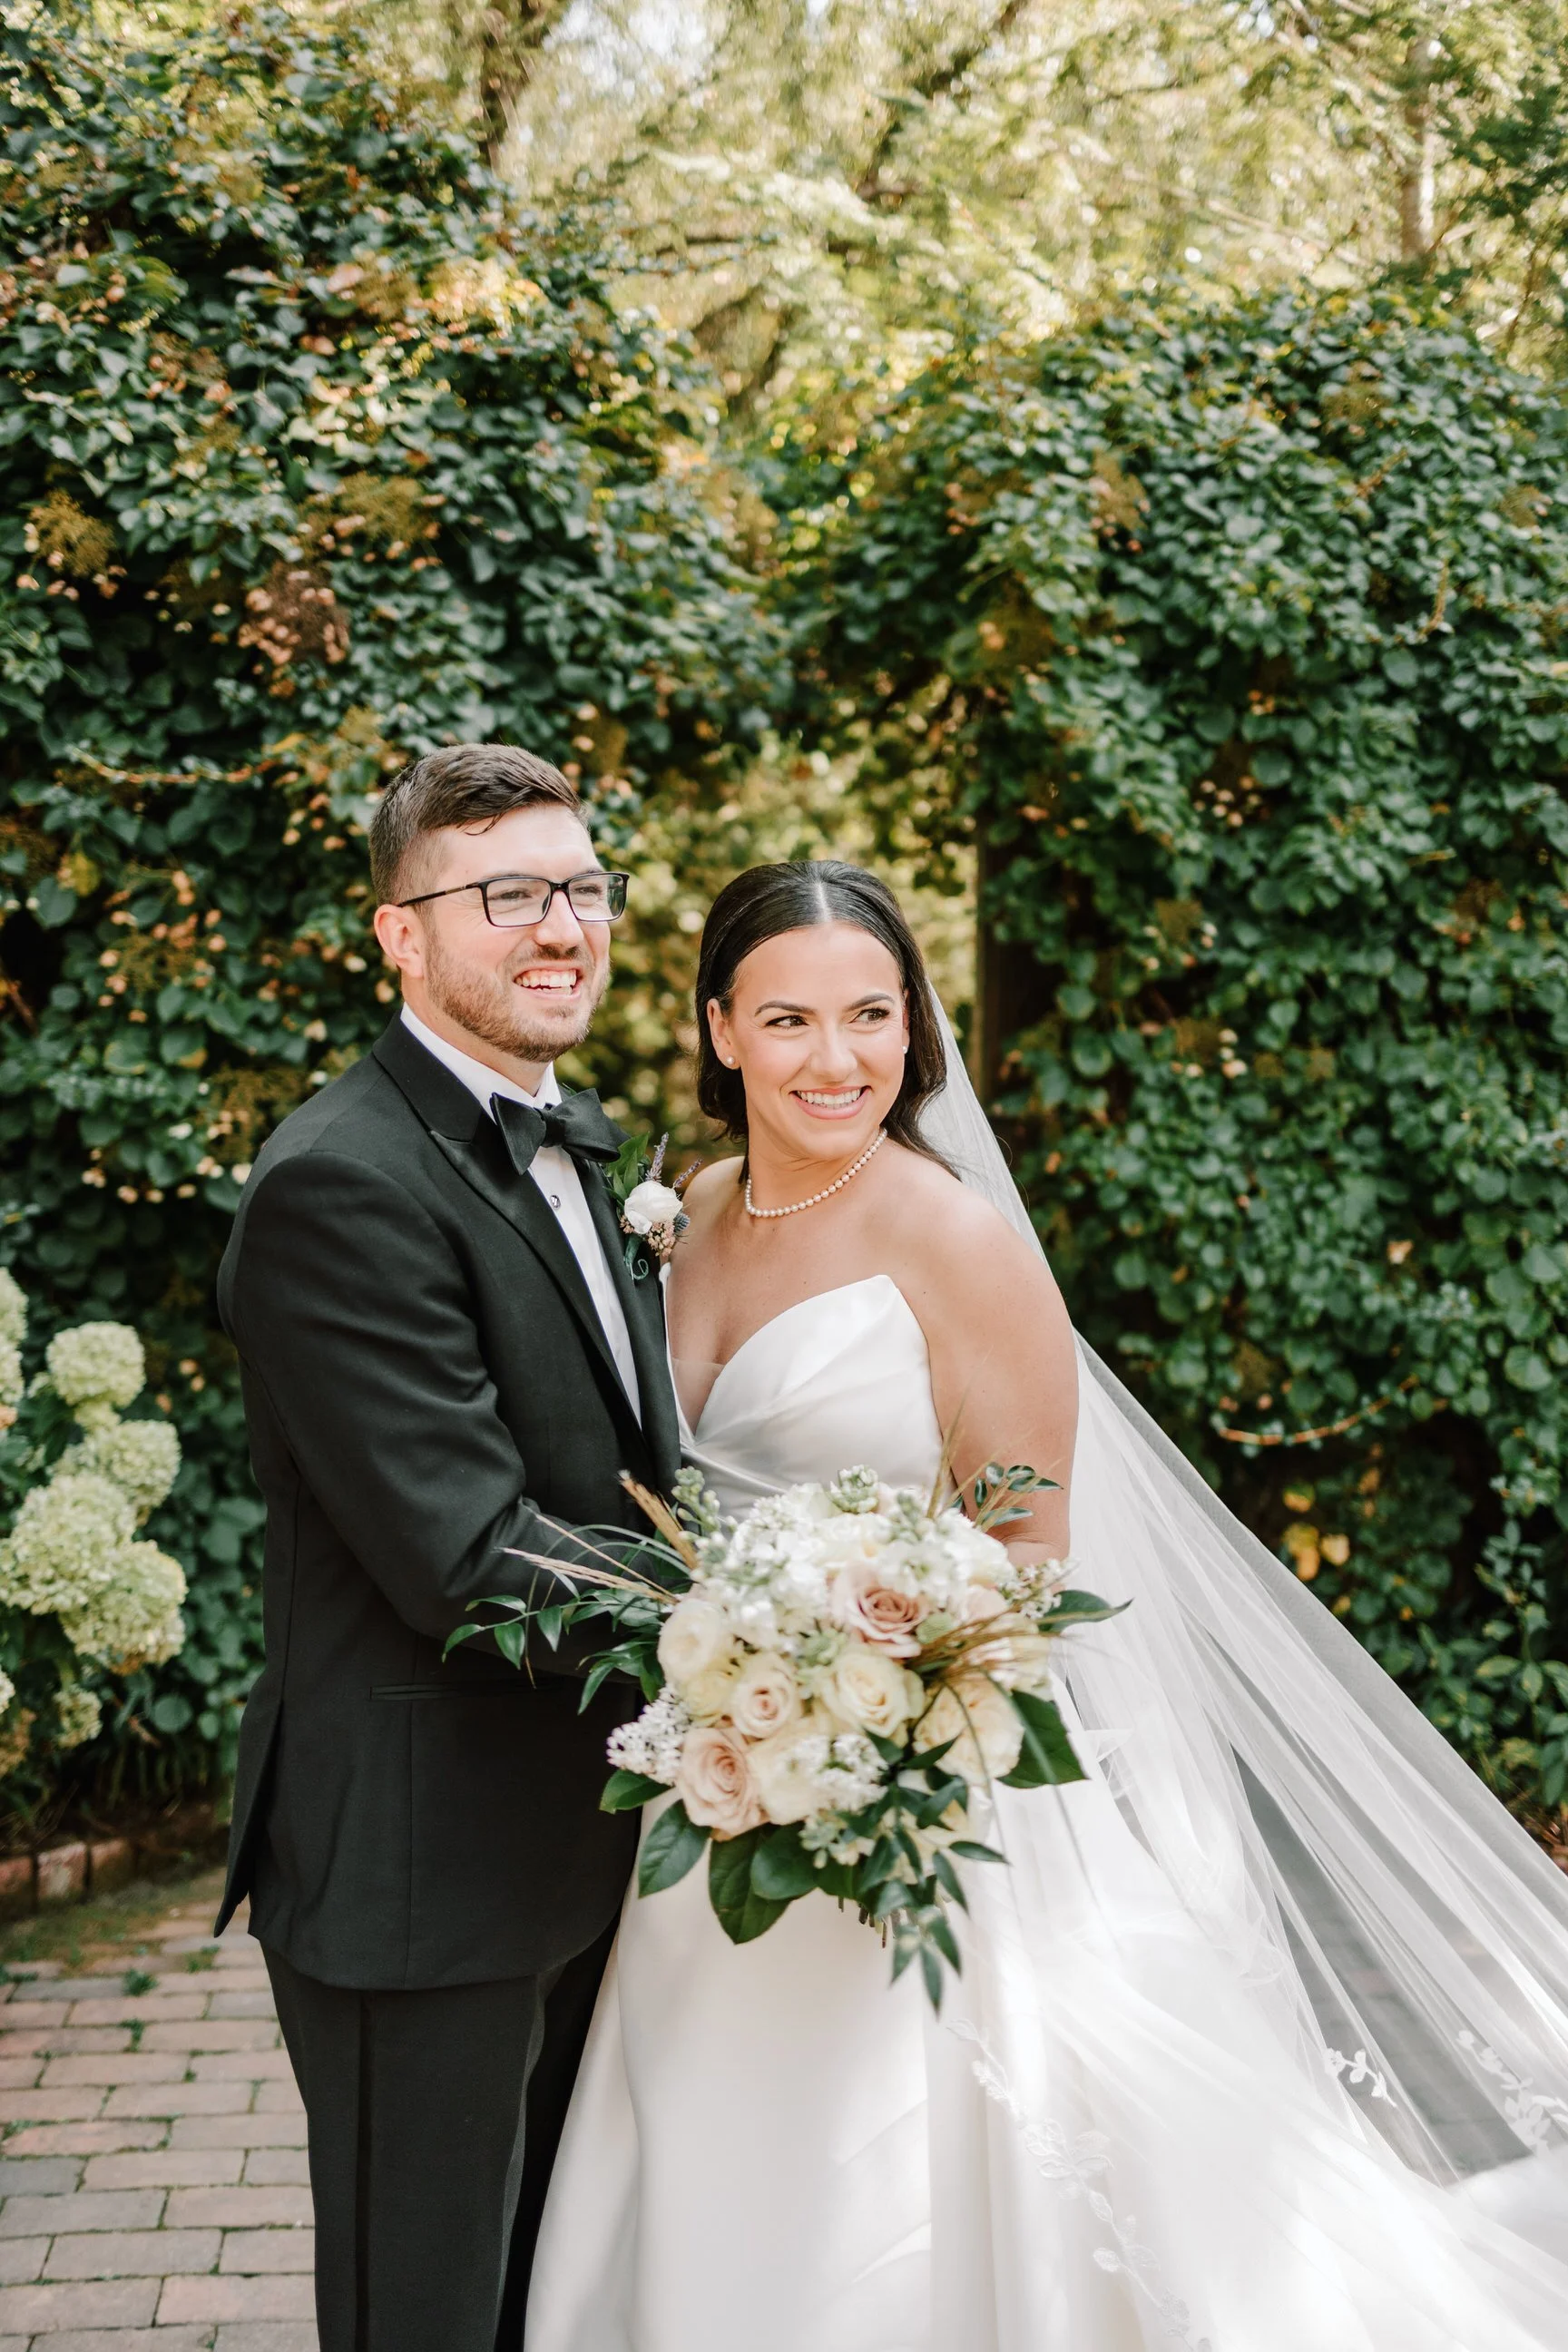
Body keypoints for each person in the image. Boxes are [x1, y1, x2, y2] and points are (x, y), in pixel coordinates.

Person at [525, 859, 1568, 2352]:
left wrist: (870, 1709)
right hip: (718, 1778)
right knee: (700, 2129)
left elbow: (1028, 1559)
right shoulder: (687, 1214)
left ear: (914, 1026)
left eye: (873, 1015)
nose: (839, 1059)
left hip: (914, 1794)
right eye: (792, 1018)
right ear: (722, 1030)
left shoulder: (953, 1239)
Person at [216, 743, 681, 2352]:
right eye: (506, 897)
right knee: (421, 2314)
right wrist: (774, 1629)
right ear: (399, 935)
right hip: (421, 1877)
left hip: (578, 1840)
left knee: (544, 2301)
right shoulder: (341, 1182)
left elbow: (625, 1476)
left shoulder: (586, 1145)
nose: (560, 927)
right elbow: (467, 1550)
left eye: (579, 889)